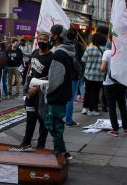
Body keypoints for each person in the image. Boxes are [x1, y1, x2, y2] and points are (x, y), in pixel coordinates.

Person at [40, 25, 75, 159]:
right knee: (54, 123)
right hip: (63, 93)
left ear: (55, 36)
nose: (49, 37)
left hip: (57, 95)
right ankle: (63, 152)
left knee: (54, 125)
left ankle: (60, 153)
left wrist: (44, 87)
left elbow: (56, 80)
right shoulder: (66, 52)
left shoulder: (59, 53)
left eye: (50, 34)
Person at [20, 32, 53, 149]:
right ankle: (26, 141)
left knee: (42, 120)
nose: (42, 41)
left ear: (49, 41)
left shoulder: (51, 57)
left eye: (45, 39)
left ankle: (41, 144)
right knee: (30, 118)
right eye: (40, 39)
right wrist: (26, 85)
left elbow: (52, 77)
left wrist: (38, 88)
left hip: (41, 95)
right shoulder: (34, 53)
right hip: (29, 92)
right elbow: (30, 70)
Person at [101, 40, 127, 137]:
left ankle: (115, 129)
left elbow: (102, 69)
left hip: (109, 84)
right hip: (121, 83)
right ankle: (126, 128)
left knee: (112, 107)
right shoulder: (123, 53)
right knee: (122, 106)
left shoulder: (107, 53)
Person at [81, 33, 107, 116]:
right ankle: (91, 110)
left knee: (87, 91)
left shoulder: (89, 49)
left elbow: (83, 60)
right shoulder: (105, 50)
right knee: (95, 92)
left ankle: (85, 108)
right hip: (99, 75)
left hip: (88, 74)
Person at [64, 28, 84, 126]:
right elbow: (76, 61)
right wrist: (80, 72)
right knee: (70, 99)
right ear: (76, 36)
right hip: (73, 75)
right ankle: (68, 120)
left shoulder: (62, 45)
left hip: (63, 74)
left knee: (64, 97)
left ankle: (61, 118)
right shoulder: (78, 46)